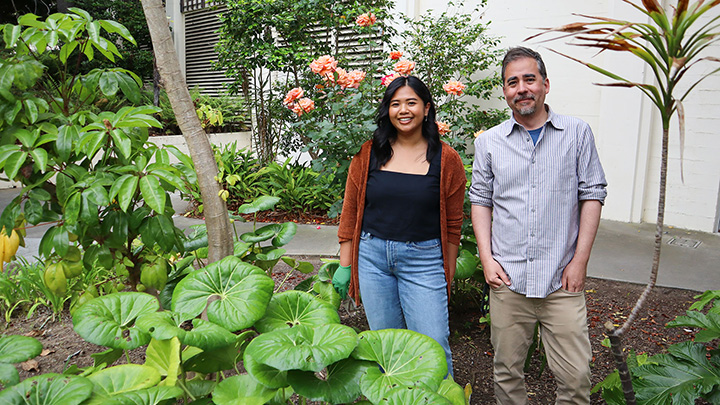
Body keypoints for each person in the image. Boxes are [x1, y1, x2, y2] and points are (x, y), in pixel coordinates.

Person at [469, 47, 607, 404]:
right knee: (506, 373)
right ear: (505, 92)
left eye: (529, 79)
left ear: (545, 84)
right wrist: (486, 258)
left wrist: (580, 261)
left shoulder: (576, 133)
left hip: (561, 279)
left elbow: (592, 194)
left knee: (576, 377)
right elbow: (481, 200)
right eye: (512, 82)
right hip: (508, 279)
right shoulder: (488, 143)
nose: (522, 88)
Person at [332, 75, 466, 376]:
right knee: (386, 347)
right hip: (372, 260)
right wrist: (345, 263)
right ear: (387, 110)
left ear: (426, 108)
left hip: (424, 260)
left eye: (411, 102)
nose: (403, 110)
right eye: (395, 103)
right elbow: (351, 210)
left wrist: (448, 271)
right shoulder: (369, 153)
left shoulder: (447, 160)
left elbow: (454, 224)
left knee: (433, 345)